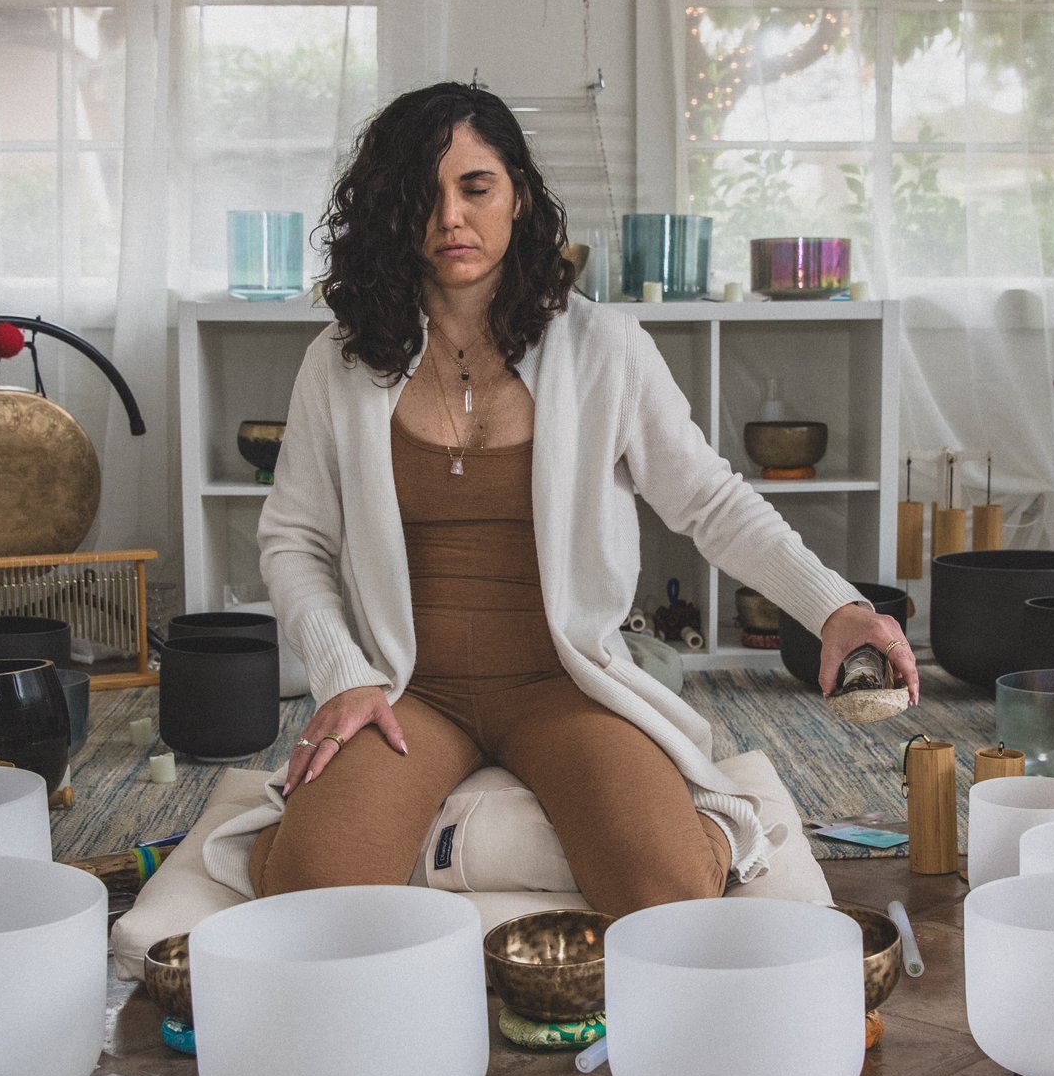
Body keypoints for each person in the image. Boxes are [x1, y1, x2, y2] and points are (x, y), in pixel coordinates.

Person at [248, 81, 917, 916]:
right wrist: (345, 676)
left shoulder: (604, 347)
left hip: (564, 684)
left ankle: (703, 830)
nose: (450, 216)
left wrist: (838, 610)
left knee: (669, 893)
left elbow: (710, 500)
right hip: (404, 689)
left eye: (475, 186)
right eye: (424, 193)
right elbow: (295, 542)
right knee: (307, 892)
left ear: (518, 195)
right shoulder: (340, 362)